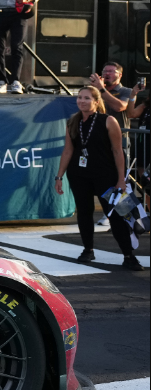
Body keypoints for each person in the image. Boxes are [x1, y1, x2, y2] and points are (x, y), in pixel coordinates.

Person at [54, 86, 142, 270]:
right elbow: (68, 150)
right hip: (79, 175)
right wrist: (59, 176)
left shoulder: (108, 121)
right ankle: (88, 249)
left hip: (106, 175)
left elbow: (118, 152)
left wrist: (121, 180)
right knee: (84, 213)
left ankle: (128, 255)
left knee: (117, 214)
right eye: (79, 98)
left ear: (96, 101)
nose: (82, 101)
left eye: (86, 98)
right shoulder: (72, 122)